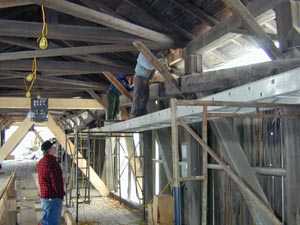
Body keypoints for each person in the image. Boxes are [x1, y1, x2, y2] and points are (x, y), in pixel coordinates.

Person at [37, 138, 64, 225]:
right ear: (49, 150)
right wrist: (60, 195)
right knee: (53, 222)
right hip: (53, 198)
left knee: (47, 220)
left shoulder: (41, 162)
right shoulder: (52, 162)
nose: (55, 148)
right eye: (53, 147)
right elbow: (55, 182)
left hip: (45, 197)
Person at [130, 53, 155, 117]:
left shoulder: (151, 56)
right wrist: (155, 65)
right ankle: (134, 112)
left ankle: (142, 111)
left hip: (146, 78)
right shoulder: (142, 54)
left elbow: (151, 69)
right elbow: (147, 66)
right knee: (137, 95)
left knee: (145, 95)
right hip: (139, 77)